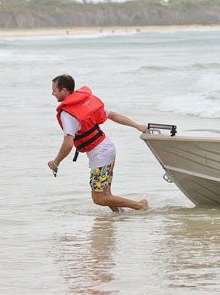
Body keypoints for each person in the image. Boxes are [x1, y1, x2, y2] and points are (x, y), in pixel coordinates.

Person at [48, 74, 149, 212]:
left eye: (54, 90)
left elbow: (68, 144)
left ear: (64, 90)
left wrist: (55, 162)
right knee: (106, 195)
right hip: (107, 148)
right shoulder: (86, 101)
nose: (52, 93)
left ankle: (140, 205)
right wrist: (137, 125)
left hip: (100, 154)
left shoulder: (67, 113)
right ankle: (120, 216)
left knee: (99, 198)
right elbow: (113, 115)